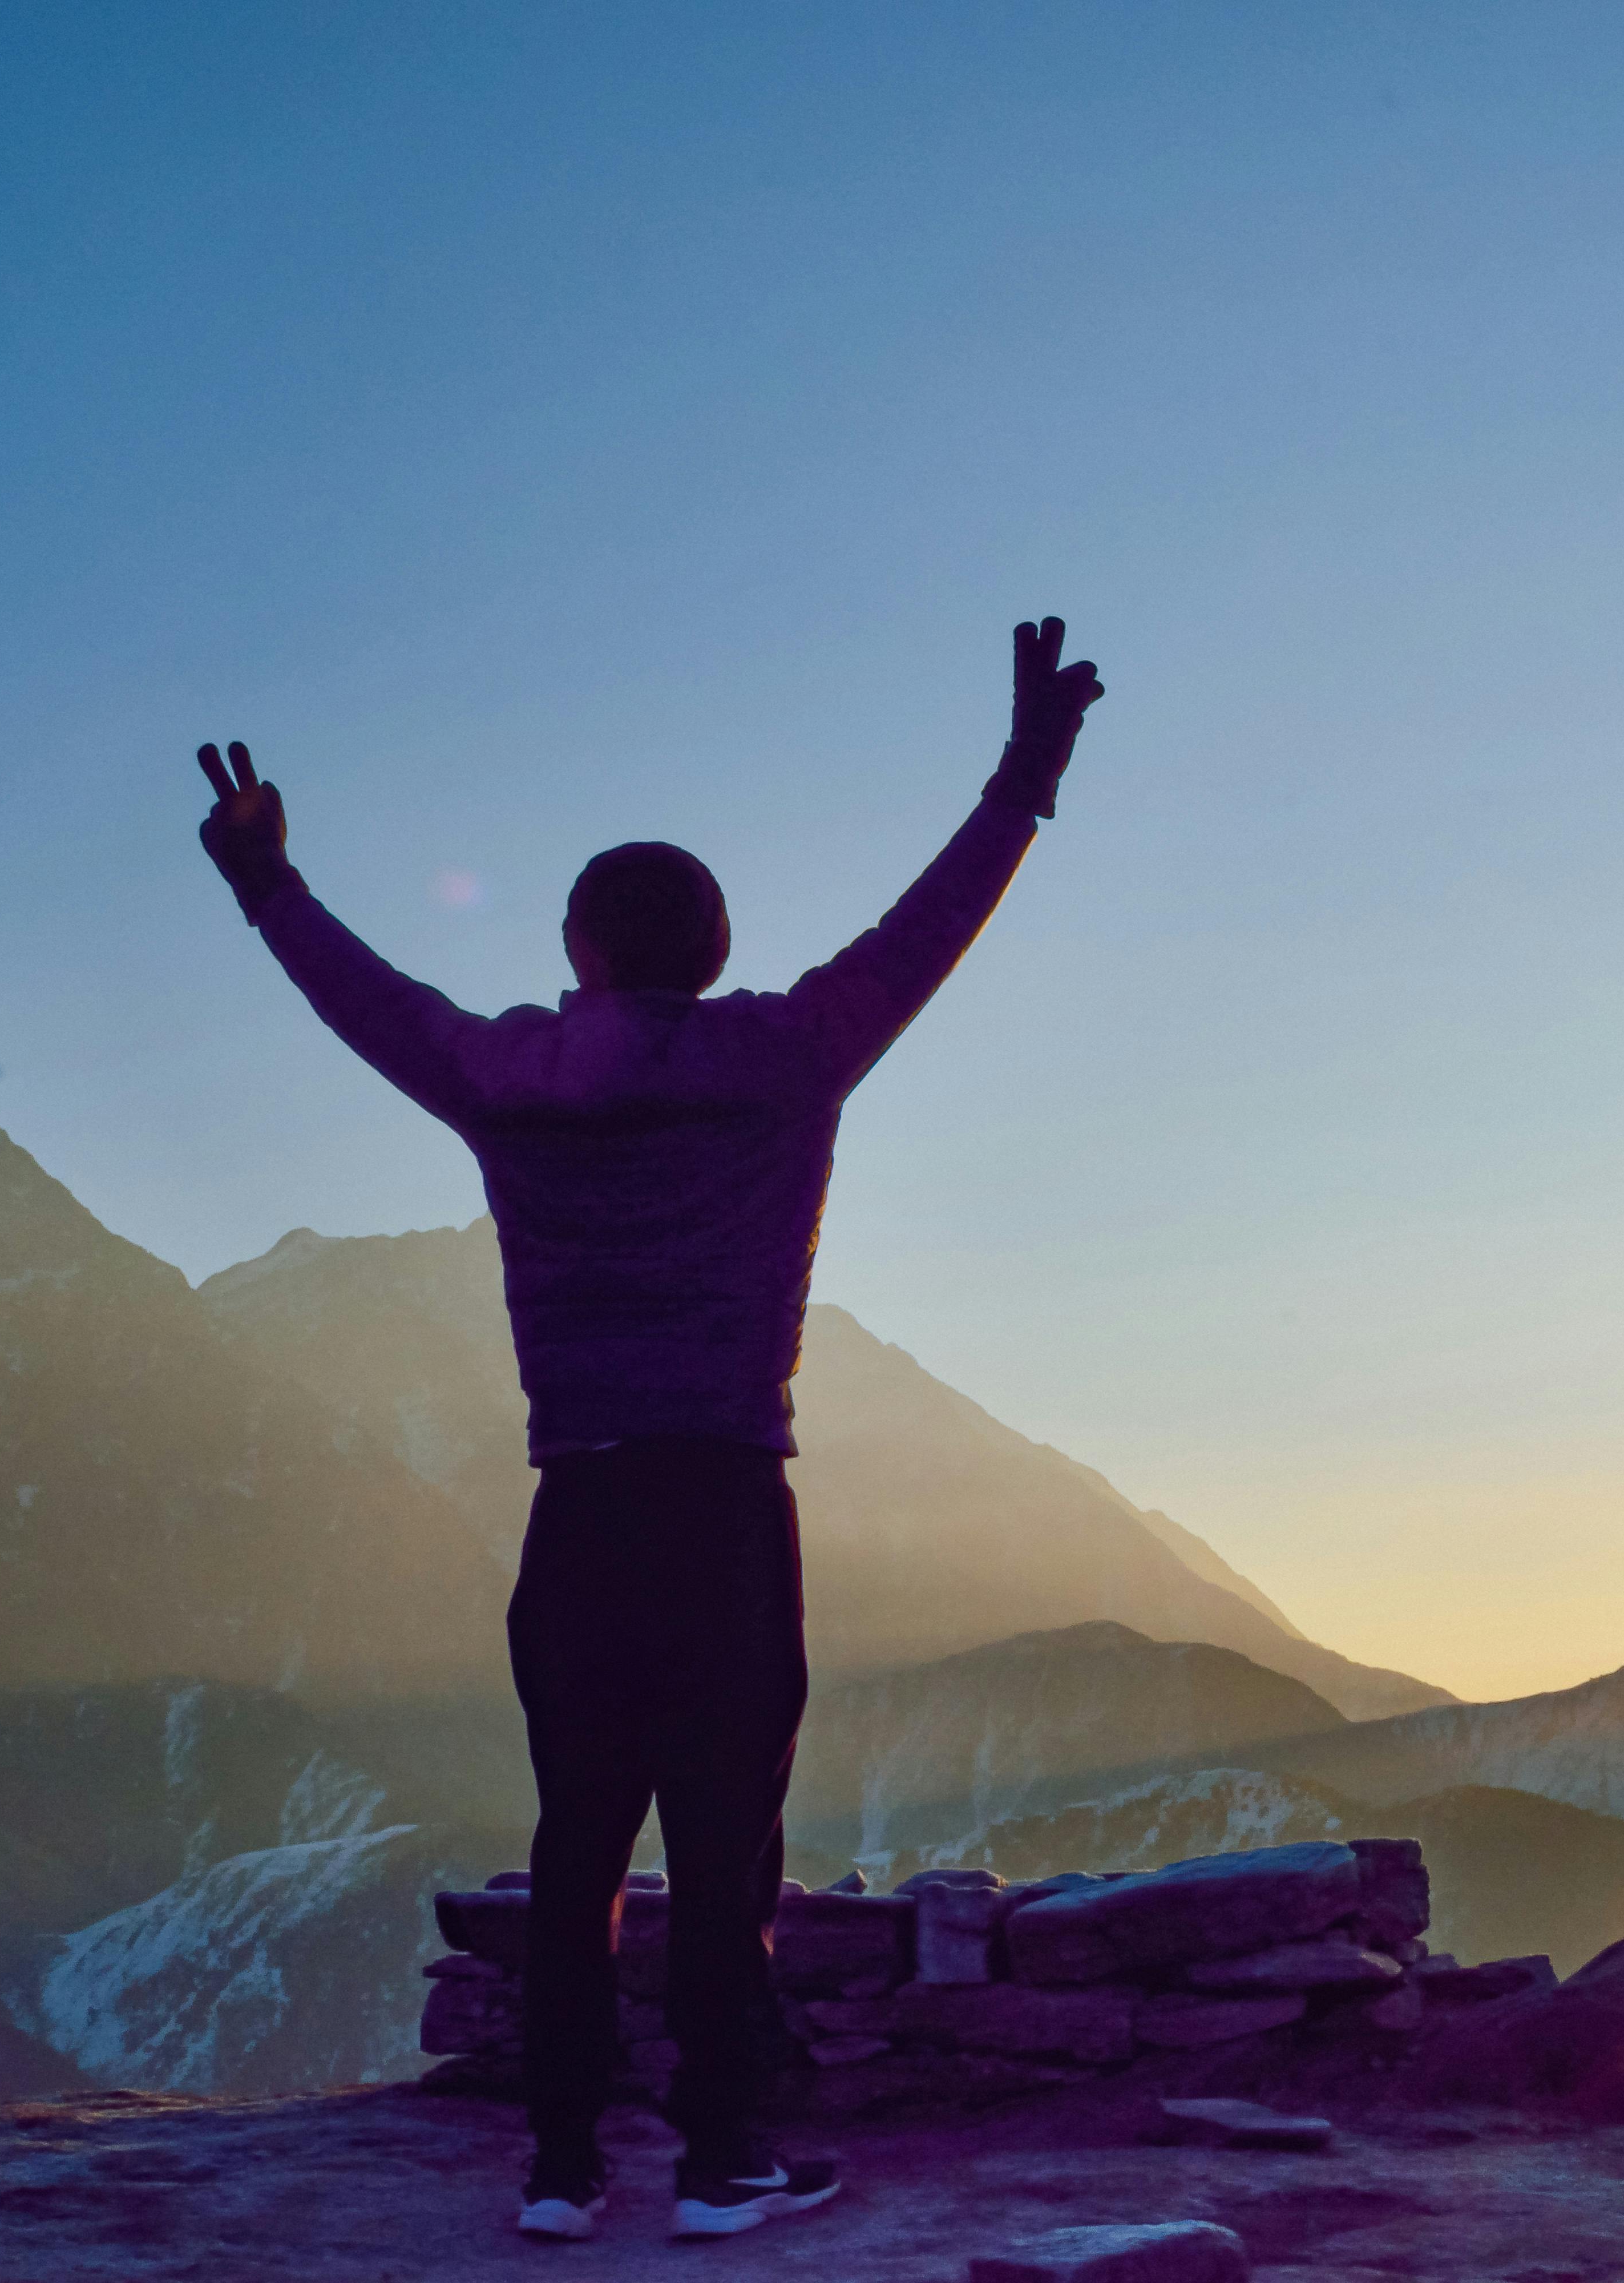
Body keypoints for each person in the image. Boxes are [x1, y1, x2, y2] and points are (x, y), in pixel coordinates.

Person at [190, 618, 1105, 2242]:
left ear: (584, 950)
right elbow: (928, 928)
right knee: (723, 1852)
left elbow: (370, 1004)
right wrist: (1027, 773)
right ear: (717, 941)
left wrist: (267, 883)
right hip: (729, 1509)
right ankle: (722, 2164)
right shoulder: (790, 1056)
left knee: (577, 1847)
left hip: (584, 1513)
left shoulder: (511, 1073)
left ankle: (558, 2170)